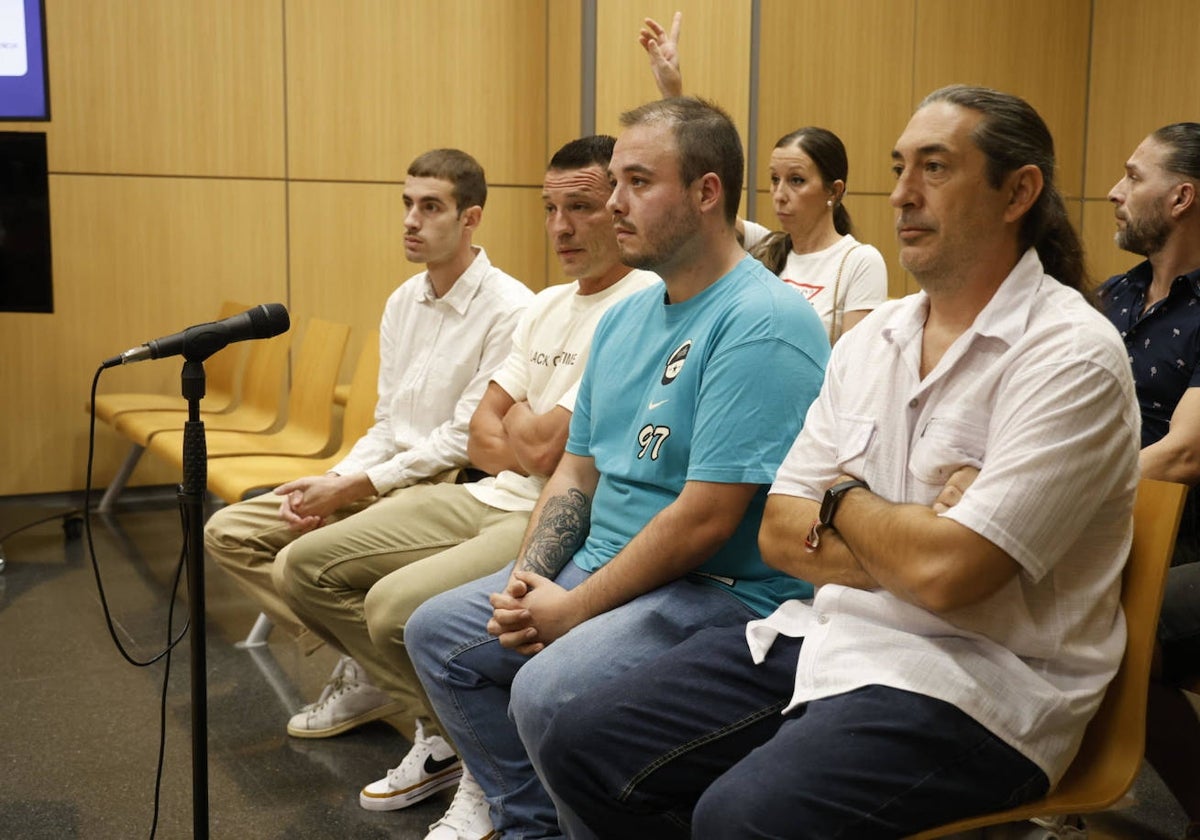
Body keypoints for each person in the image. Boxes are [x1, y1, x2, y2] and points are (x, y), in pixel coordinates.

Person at [537, 84, 1141, 839]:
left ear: (1019, 191)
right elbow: (781, 534)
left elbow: (950, 577)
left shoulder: (1069, 353)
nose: (903, 196)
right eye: (899, 169)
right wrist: (908, 525)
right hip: (828, 637)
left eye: (936, 168)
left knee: (741, 817)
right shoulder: (874, 337)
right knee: (580, 739)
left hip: (979, 685)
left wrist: (842, 500)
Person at [405, 96, 829, 840]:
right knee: (438, 634)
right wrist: (527, 580)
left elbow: (706, 519)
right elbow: (575, 473)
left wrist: (572, 608)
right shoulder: (627, 317)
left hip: (714, 590)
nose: (613, 202)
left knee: (546, 692)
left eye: (637, 182)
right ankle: (532, 822)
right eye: (615, 182)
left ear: (706, 193)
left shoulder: (762, 320)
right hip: (609, 567)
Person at [272, 135, 658, 837]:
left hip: (556, 509)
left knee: (398, 613)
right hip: (484, 491)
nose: (561, 227)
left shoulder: (638, 303)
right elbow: (484, 431)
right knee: (300, 562)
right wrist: (523, 435)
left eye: (581, 207)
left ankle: (481, 763)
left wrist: (520, 431)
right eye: (549, 208)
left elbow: (540, 446)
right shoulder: (546, 304)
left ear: (621, 207)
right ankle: (453, 734)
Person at [203, 147, 532, 731]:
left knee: (306, 566)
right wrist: (335, 481)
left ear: (471, 217)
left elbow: (463, 438)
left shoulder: (511, 308)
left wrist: (356, 483)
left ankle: (430, 715)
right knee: (229, 532)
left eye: (431, 207)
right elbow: (386, 422)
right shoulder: (404, 300)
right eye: (407, 203)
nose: (411, 220)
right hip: (383, 477)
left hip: (445, 487)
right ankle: (367, 661)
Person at [639, 13, 888, 342]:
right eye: (774, 179)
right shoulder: (766, 246)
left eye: (796, 180)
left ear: (835, 190)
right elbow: (700, 199)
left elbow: (855, 365)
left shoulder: (859, 261)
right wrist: (673, 95)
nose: (780, 194)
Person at [1101, 122, 1200, 840]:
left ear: (1181, 197)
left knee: (1125, 630)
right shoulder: (1112, 298)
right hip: (1110, 527)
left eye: (1134, 177)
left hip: (1188, 538)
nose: (1114, 190)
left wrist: (1060, 492)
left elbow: (1183, 455)